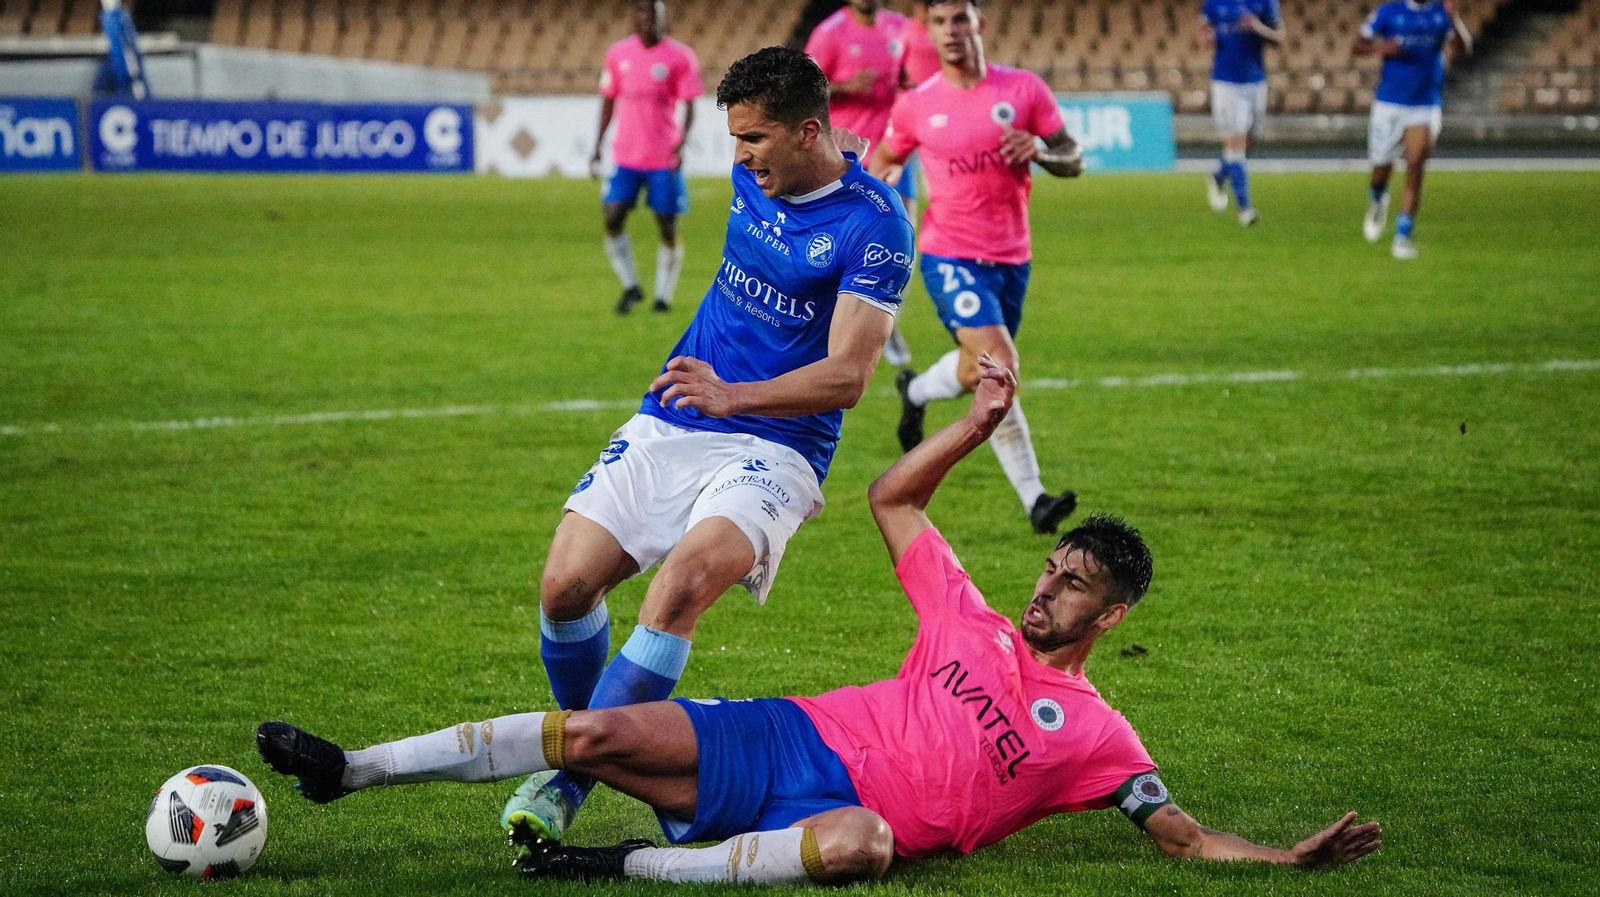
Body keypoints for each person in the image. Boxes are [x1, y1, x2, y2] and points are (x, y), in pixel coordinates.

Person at [256, 356, 1383, 886]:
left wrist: (1286, 856)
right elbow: (891, 500)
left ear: (1113, 613)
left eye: (1074, 584)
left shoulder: (1097, 736)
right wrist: (975, 426)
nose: (1046, 589)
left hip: (842, 815)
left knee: (862, 849)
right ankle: (349, 771)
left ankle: (616, 864)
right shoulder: (969, 617)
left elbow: (1181, 836)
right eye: (1050, 568)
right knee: (591, 733)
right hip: (790, 736)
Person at [504, 45, 914, 850]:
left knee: (682, 585)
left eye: (754, 138)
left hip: (779, 443)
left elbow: (848, 375)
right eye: (735, 139)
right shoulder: (763, 171)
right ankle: (607, 746)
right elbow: (821, 152)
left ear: (805, 132)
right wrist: (713, 394)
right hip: (680, 410)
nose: (740, 156)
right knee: (564, 587)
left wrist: (735, 395)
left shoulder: (877, 227)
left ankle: (568, 776)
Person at [868, 0, 1081, 535]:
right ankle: (1035, 498)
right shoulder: (917, 105)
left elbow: (1072, 157)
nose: (950, 31)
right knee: (1000, 363)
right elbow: (884, 162)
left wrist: (1041, 153)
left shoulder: (1024, 90)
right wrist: (882, 191)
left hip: (1012, 258)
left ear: (979, 24)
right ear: (930, 32)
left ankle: (916, 391)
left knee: (974, 369)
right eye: (939, 22)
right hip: (949, 254)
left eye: (959, 19)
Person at [805, 0, 917, 365]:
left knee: (902, 240)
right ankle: (827, 320)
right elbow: (803, 90)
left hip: (894, 150)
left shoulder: (902, 27)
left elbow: (913, 77)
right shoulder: (830, 33)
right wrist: (845, 86)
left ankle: (886, 322)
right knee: (837, 245)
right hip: (846, 153)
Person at [592, 1, 702, 313]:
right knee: (612, 215)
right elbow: (608, 100)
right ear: (634, 17)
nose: (648, 19)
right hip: (625, 155)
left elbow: (690, 104)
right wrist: (597, 145)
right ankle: (631, 286)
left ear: (664, 18)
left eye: (654, 13)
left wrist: (680, 145)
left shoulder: (680, 56)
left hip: (662, 157)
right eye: (642, 12)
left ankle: (663, 296)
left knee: (667, 224)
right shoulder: (618, 54)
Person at [1354, 0, 1472, 260]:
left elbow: (1463, 49)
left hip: (1425, 104)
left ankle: (1402, 238)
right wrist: (1383, 48)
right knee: (1380, 170)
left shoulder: (1441, 13)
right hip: (1389, 103)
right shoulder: (1389, 12)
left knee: (1415, 165)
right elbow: (1358, 46)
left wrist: (1454, 20)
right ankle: (1378, 199)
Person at [1201, 0, 1285, 227]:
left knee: (1249, 142)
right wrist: (1207, 39)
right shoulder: (1214, 3)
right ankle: (1245, 208)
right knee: (1236, 144)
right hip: (1226, 83)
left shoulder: (1266, 2)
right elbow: (1204, 30)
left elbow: (1279, 38)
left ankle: (1218, 176)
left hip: (1256, 80)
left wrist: (1257, 27)